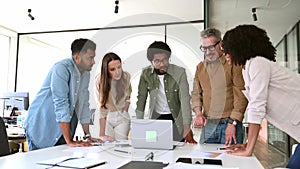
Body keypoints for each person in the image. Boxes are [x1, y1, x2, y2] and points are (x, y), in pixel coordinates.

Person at [222, 24, 300, 168]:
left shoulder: (258, 63)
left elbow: (257, 107)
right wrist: (248, 145)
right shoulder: (247, 69)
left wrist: (249, 149)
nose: (225, 53)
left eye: (227, 48)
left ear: (240, 46)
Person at [24, 38, 100, 151]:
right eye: (90, 58)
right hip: (42, 127)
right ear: (77, 57)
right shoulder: (61, 68)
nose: (93, 61)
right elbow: (61, 103)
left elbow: (83, 105)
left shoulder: (85, 74)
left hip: (63, 130)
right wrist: (69, 141)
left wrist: (87, 135)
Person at [191, 28, 248, 146]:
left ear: (220, 43)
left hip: (229, 123)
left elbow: (241, 95)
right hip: (209, 124)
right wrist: (198, 113)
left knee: (230, 161)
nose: (207, 52)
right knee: (204, 161)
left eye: (211, 47)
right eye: (204, 48)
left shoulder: (232, 64)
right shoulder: (200, 68)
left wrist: (233, 123)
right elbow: (196, 94)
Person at [136, 41, 197, 143]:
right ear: (151, 62)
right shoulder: (145, 74)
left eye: (165, 59)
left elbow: (185, 99)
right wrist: (139, 125)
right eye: (157, 61)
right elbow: (141, 99)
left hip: (176, 119)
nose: (162, 64)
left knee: (180, 153)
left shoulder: (179, 72)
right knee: (154, 150)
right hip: (155, 118)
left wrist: (187, 126)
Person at [95, 52, 132, 140]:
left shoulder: (126, 76)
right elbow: (102, 106)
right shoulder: (99, 80)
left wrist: (126, 108)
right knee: (107, 146)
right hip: (106, 116)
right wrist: (102, 134)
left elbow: (129, 93)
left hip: (121, 115)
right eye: (112, 69)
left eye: (119, 67)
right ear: (106, 70)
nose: (117, 72)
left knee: (121, 146)